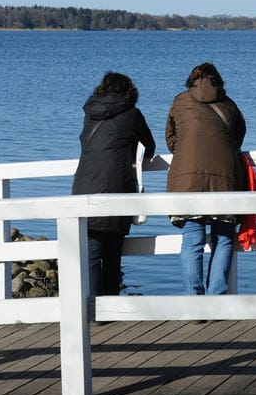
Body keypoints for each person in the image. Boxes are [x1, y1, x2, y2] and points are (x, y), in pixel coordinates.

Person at [72, 72, 156, 297]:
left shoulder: (90, 115)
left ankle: (89, 306)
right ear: (129, 91)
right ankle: (108, 305)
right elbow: (149, 147)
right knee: (112, 253)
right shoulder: (132, 114)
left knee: (91, 251)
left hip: (84, 187)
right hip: (117, 188)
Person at [166, 62, 246, 295]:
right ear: (218, 82)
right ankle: (216, 299)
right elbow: (238, 137)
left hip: (187, 183)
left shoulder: (180, 102)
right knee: (224, 239)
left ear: (191, 80)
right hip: (225, 181)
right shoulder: (229, 105)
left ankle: (195, 302)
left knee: (192, 241)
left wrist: (186, 155)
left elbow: (171, 139)